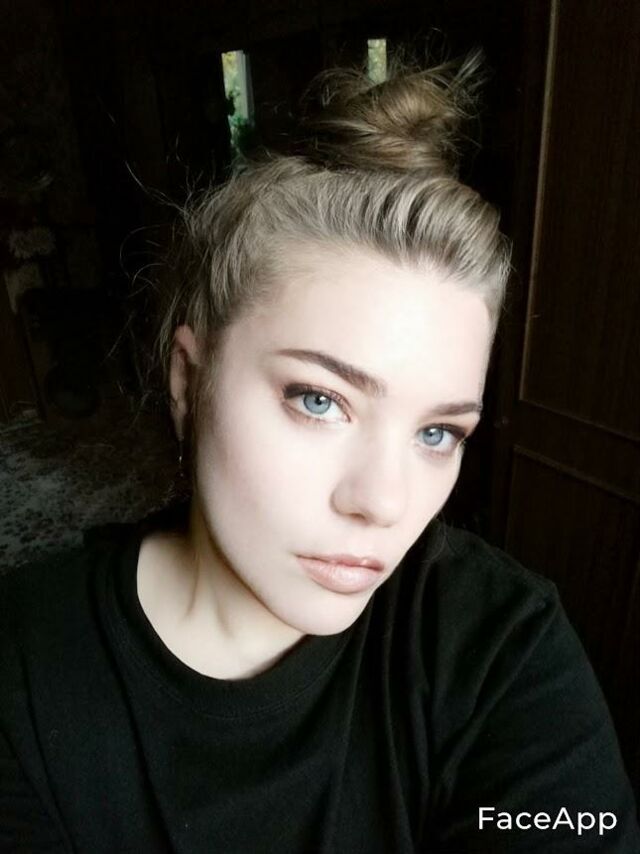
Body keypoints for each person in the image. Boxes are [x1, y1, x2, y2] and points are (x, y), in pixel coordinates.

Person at [1, 55, 638, 853]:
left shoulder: (501, 648)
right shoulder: (21, 667)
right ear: (189, 379)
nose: (383, 502)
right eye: (319, 400)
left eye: (437, 433)